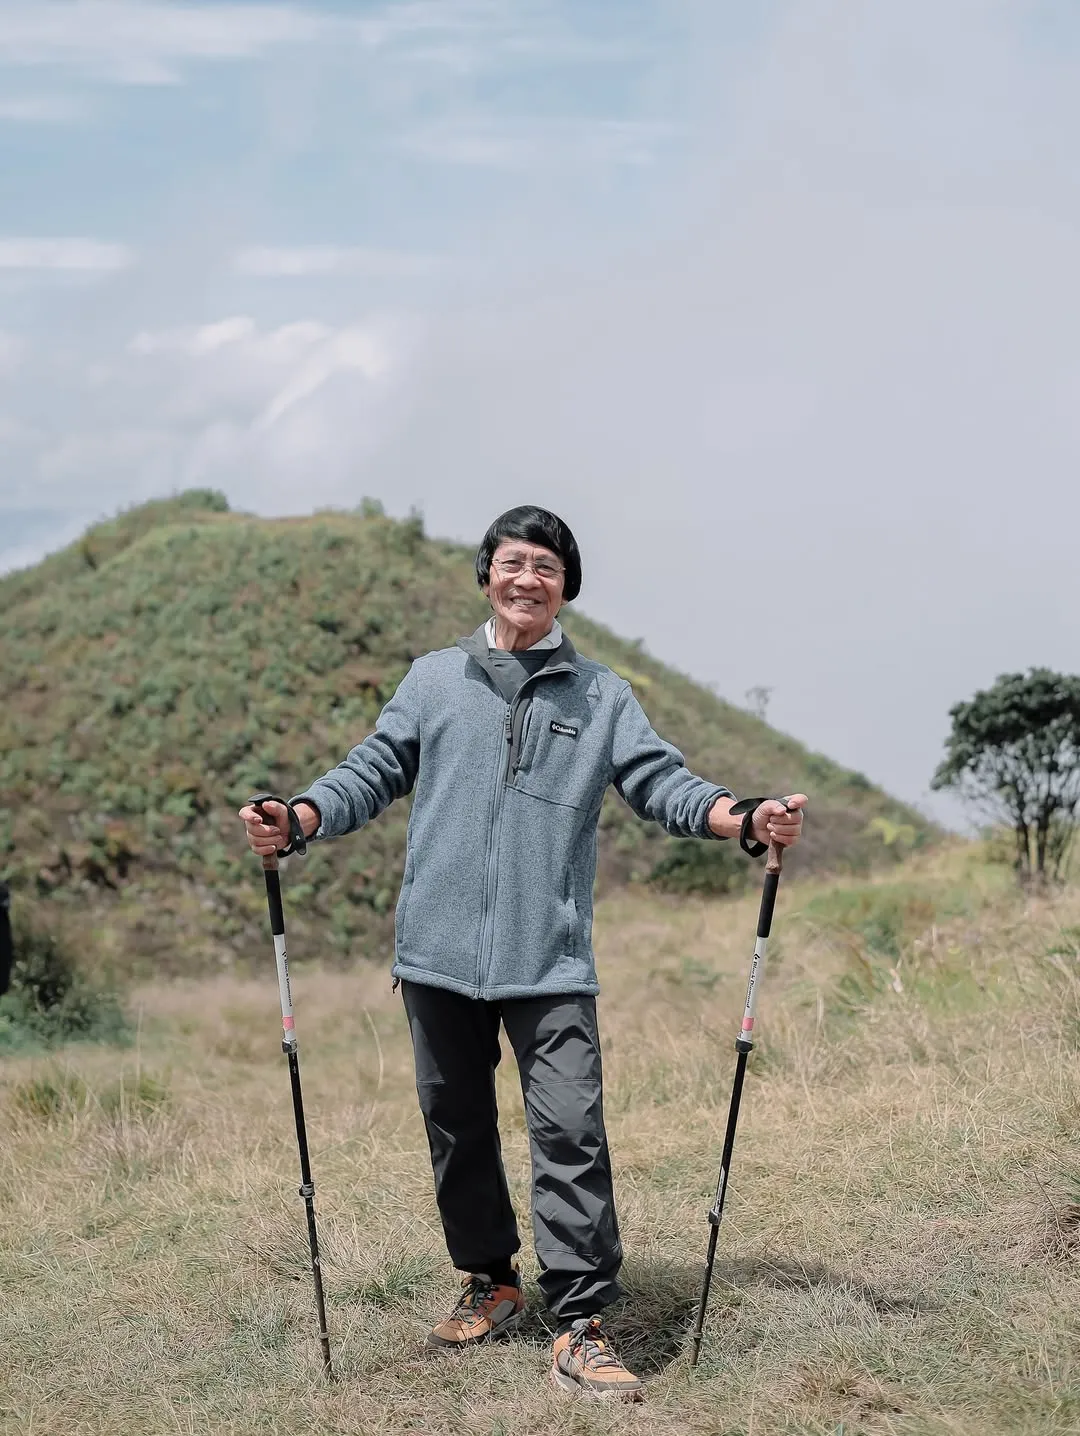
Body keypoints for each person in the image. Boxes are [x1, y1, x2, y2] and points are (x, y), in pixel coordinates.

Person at [240, 505, 806, 1401]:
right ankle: (490, 1280)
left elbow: (661, 781)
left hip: (548, 957)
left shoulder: (602, 694)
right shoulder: (433, 680)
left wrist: (744, 818)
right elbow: (373, 769)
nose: (528, 578)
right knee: (456, 1128)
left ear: (566, 588)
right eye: (513, 562)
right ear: (486, 576)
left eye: (547, 566)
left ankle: (579, 1322)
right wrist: (298, 819)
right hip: (436, 955)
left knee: (569, 1131)